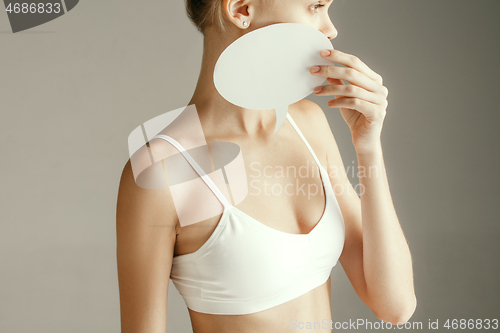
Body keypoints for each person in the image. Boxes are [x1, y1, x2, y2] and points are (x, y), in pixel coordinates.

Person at [116, 0, 417, 332]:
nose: (331, 29)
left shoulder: (308, 125)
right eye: (315, 6)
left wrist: (368, 146)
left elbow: (396, 306)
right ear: (241, 9)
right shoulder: (162, 171)